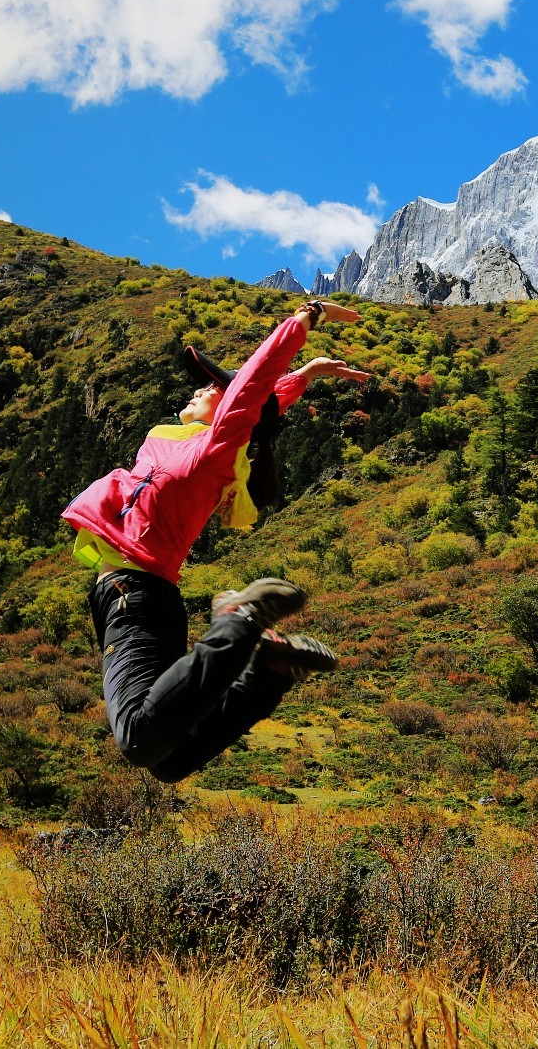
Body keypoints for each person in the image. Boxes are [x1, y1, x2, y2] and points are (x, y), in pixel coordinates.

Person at [63, 298, 369, 782]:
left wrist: (307, 318)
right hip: (148, 597)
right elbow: (261, 409)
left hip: (133, 594)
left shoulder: (214, 452)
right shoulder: (169, 440)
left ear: (228, 408)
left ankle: (237, 620)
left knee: (141, 740)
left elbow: (251, 392)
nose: (205, 386)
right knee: (170, 761)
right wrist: (304, 378)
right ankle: (271, 671)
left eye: (214, 388)